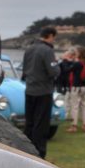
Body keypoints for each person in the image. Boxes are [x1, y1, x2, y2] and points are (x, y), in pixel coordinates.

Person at [21, 26, 59, 158]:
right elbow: (53, 71)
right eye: (54, 38)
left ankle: (26, 152)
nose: (54, 41)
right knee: (41, 125)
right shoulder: (47, 50)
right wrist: (57, 65)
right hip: (43, 91)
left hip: (29, 90)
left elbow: (24, 70)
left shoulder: (29, 49)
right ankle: (39, 154)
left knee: (29, 123)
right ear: (50, 36)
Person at [61, 46, 85, 132]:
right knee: (84, 106)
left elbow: (67, 70)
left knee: (74, 106)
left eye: (76, 52)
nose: (74, 53)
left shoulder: (77, 63)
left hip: (76, 87)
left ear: (79, 53)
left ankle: (74, 126)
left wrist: (65, 60)